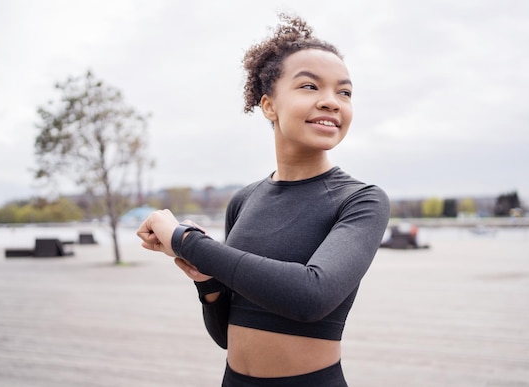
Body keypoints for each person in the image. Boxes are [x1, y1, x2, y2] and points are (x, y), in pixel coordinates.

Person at [137, 13, 390, 387]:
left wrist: (185, 241)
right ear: (269, 106)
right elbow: (227, 335)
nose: (331, 102)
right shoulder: (244, 200)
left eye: (344, 92)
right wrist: (207, 281)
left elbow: (311, 297)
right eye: (309, 86)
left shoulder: (361, 201)